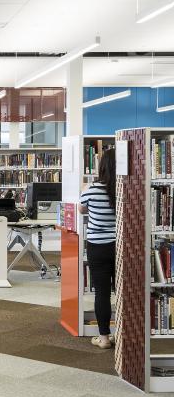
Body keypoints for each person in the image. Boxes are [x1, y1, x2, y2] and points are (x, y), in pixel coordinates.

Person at [79, 147, 116, 349]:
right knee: (125, 291)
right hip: (120, 246)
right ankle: (128, 333)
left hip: (98, 246)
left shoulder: (92, 189)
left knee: (102, 293)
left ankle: (104, 338)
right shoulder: (125, 189)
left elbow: (82, 208)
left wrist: (85, 190)